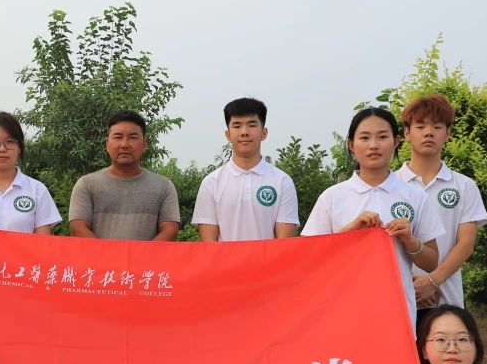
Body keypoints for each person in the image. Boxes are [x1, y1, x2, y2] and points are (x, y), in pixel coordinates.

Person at [301, 107, 444, 331]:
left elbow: (431, 261)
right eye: (365, 138)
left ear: (396, 142)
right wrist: (347, 233)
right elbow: (309, 258)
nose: (374, 145)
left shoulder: (414, 196)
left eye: (382, 137)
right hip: (340, 311)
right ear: (351, 144)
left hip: (395, 312)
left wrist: (410, 241)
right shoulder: (332, 197)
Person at [398, 94, 487, 327]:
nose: (429, 133)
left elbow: (466, 244)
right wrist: (411, 286)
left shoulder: (464, 186)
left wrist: (432, 281)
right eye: (420, 126)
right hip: (398, 300)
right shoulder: (390, 186)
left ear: (448, 133)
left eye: (437, 127)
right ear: (407, 133)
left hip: (446, 300)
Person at [192, 97, 299, 240]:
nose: (244, 132)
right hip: (224, 257)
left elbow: (284, 244)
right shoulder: (211, 183)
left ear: (264, 133)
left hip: (269, 257)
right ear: (228, 135)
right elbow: (209, 245)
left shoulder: (282, 182)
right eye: (237, 126)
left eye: (252, 125)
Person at [67, 110, 181, 241]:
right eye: (118, 137)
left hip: (147, 255)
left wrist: (138, 255)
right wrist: (111, 254)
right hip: (98, 255)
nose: (125, 144)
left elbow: (170, 230)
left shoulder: (164, 186)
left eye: (133, 137)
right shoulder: (87, 184)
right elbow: (78, 228)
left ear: (144, 144)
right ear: (107, 144)